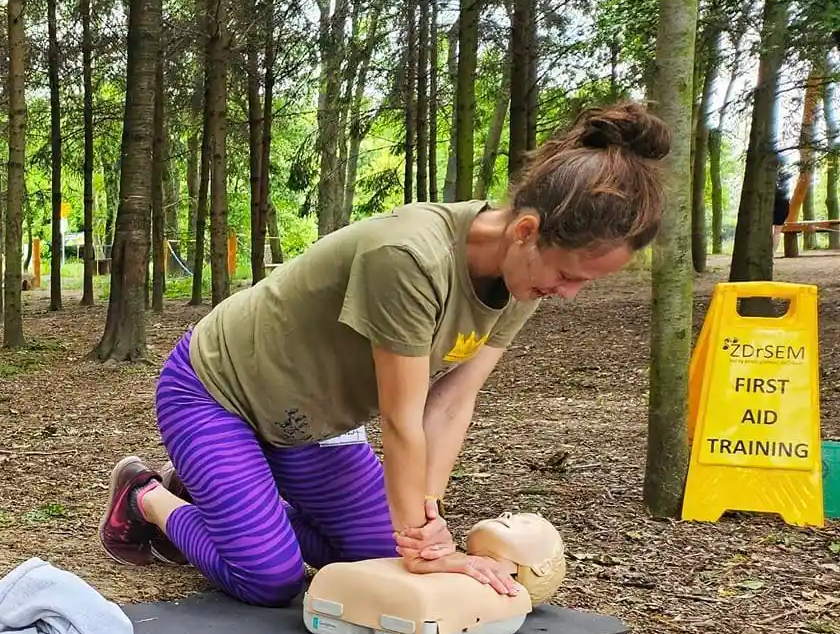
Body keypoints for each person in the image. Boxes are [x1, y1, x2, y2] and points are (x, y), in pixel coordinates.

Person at [98, 101, 670, 606]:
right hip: (218, 392)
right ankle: (149, 496)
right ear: (526, 230)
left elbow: (450, 402)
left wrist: (426, 526)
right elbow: (401, 422)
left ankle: (230, 504)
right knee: (269, 578)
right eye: (569, 275)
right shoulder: (410, 256)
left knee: (383, 554)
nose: (567, 294)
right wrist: (428, 544)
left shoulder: (524, 279)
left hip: (311, 423)